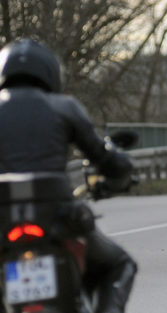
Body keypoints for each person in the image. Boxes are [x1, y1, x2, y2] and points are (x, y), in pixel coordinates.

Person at [0, 38, 136, 313]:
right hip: (59, 217)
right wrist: (118, 178)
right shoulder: (64, 107)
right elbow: (107, 159)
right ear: (51, 73)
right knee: (120, 265)